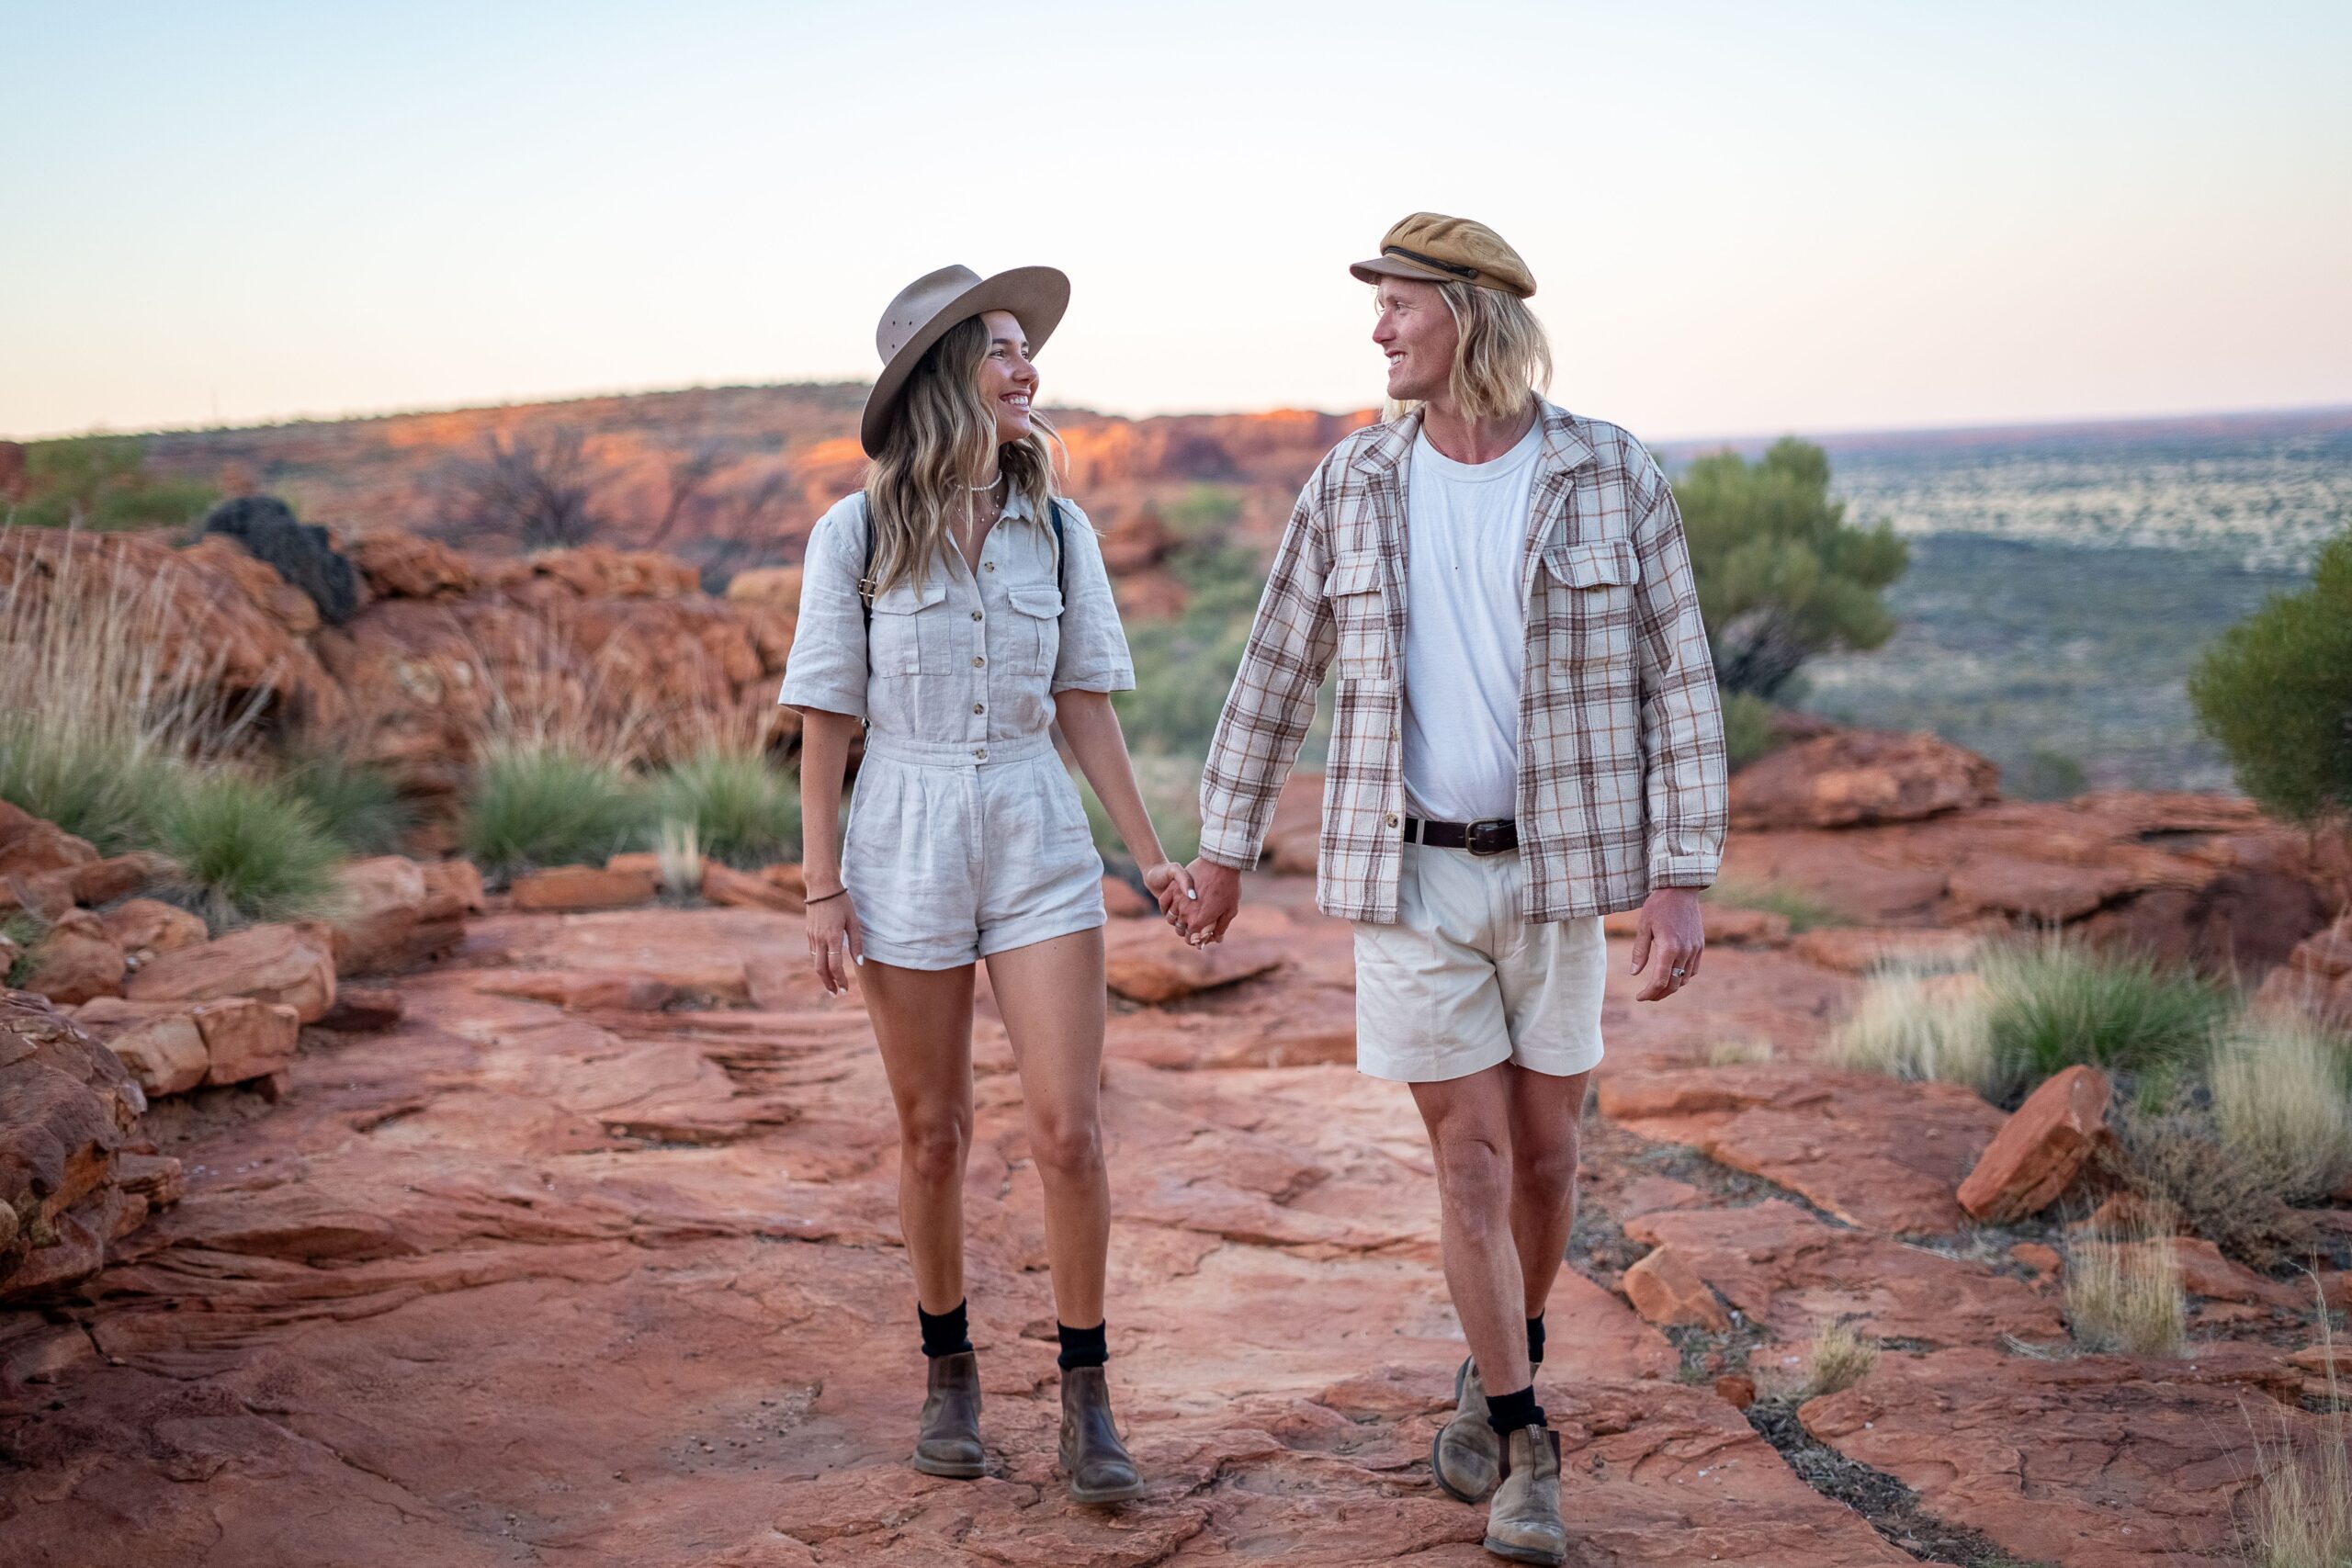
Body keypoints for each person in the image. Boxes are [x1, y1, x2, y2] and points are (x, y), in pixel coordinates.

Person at [1180, 215, 1727, 1564]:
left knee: (1548, 1164)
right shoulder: (1355, 481)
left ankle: (1497, 1365)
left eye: (1399, 306)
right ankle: (1530, 1447)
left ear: (1470, 316)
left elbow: (1684, 679)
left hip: (1558, 880)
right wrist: (1223, 848)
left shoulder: (1609, 473)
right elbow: (1274, 669)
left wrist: (1682, 875)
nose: (1377, 331)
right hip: (1410, 874)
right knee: (1470, 1160)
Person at [779, 263, 1195, 1506]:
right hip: (899, 827)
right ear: (942, 376)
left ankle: (1087, 1395)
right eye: (1003, 350)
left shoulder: (1058, 529)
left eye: (1029, 352)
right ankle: (948, 1371)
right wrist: (819, 889)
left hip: (1032, 827)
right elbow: (825, 722)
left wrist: (1147, 853)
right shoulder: (851, 534)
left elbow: (1087, 709)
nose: (1028, 370)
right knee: (934, 1132)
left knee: (1070, 1131)